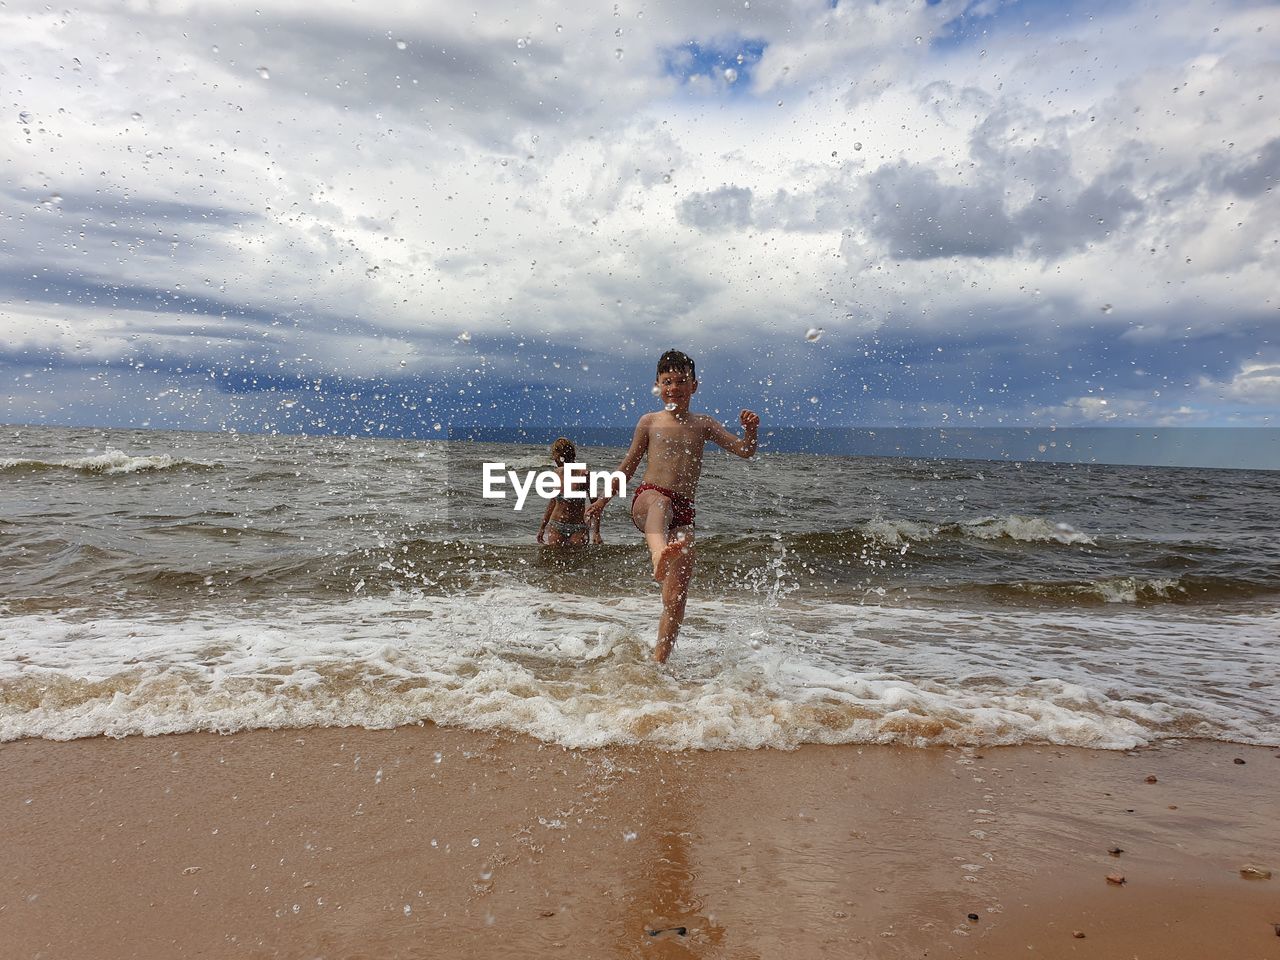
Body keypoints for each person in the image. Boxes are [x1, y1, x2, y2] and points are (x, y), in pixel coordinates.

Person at [586, 350, 759, 663]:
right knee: (661, 502)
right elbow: (627, 466)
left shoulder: (703, 424)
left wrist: (751, 431)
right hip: (648, 499)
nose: (674, 387)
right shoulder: (649, 422)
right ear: (657, 386)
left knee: (676, 597)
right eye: (667, 381)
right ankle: (657, 555)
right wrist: (603, 499)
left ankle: (659, 664)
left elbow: (744, 450)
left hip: (683, 511)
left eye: (681, 381)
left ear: (694, 385)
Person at [537, 437, 604, 547]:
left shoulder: (585, 474)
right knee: (553, 562)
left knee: (578, 562)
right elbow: (553, 502)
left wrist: (596, 533)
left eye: (554, 455)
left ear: (561, 455)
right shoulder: (556, 473)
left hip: (578, 528)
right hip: (556, 526)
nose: (553, 458)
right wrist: (542, 528)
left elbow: (595, 505)